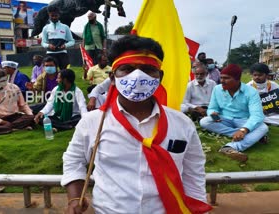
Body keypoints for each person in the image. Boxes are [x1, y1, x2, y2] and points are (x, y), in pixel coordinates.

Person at [62, 35, 211, 214]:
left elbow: (193, 172)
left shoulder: (182, 124)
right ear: (113, 77)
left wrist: (199, 208)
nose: (138, 76)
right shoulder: (93, 122)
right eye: (127, 69)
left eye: (148, 69)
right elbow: (74, 160)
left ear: (160, 76)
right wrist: (74, 198)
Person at [200, 64, 269, 162]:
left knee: (263, 127)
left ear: (237, 79)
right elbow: (212, 108)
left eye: (226, 78)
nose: (222, 81)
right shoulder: (217, 89)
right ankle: (253, 136)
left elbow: (257, 115)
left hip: (243, 120)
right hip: (224, 119)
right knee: (205, 121)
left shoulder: (251, 92)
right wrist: (213, 114)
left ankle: (230, 147)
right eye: (221, 78)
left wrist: (244, 129)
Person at [41, 5, 75, 70]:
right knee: (51, 72)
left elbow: (72, 41)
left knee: (64, 73)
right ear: (49, 15)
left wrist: (65, 45)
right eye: (52, 16)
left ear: (59, 15)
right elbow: (43, 42)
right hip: (50, 54)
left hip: (62, 54)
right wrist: (48, 45)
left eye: (56, 15)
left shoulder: (65, 27)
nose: (54, 17)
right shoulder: (46, 28)